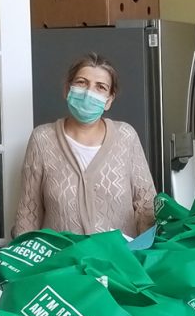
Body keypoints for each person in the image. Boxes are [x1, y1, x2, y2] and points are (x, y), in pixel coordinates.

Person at [13, 53, 156, 238]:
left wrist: (147, 256)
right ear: (67, 89)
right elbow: (28, 213)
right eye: (81, 82)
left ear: (109, 100)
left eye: (100, 87)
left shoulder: (126, 137)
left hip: (118, 262)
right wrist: (24, 258)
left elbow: (147, 207)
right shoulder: (42, 139)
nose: (89, 92)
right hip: (63, 262)